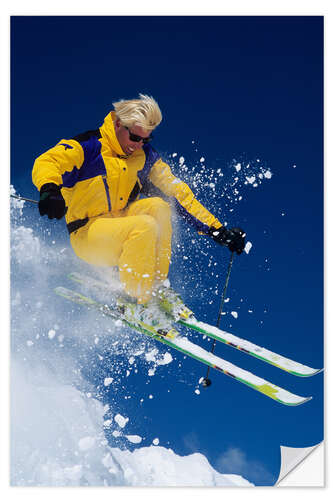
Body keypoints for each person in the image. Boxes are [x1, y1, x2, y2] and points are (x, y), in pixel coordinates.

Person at [32, 94, 245, 325]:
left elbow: (177, 192)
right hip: (87, 234)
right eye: (135, 137)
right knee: (143, 226)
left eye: (146, 139)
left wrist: (217, 230)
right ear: (117, 124)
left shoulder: (144, 157)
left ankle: (155, 287)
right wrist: (49, 189)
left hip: (121, 225)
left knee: (160, 207)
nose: (138, 145)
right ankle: (133, 300)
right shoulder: (90, 147)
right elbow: (48, 161)